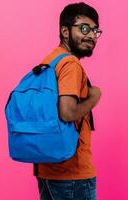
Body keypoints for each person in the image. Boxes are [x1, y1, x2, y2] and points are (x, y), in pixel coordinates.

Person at [34, 2, 102, 200]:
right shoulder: (70, 63)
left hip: (47, 171)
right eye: (84, 28)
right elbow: (67, 112)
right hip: (73, 176)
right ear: (65, 31)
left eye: (95, 30)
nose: (90, 35)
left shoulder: (49, 61)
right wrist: (94, 97)